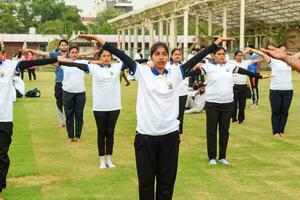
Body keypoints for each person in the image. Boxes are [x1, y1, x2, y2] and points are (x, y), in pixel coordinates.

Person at [64, 34, 232, 200]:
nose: (161, 57)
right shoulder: (142, 73)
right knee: (146, 182)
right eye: (157, 54)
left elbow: (196, 59)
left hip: (170, 136)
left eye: (164, 54)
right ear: (151, 56)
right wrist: (100, 40)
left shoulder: (176, 73)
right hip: (145, 136)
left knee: (166, 182)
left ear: (168, 57)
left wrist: (214, 45)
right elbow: (121, 54)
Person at [187, 46, 269, 165]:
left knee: (224, 131)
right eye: (219, 54)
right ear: (214, 55)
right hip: (212, 104)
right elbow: (191, 73)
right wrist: (180, 73)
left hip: (227, 104)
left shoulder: (230, 66)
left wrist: (260, 76)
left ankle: (222, 157)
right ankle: (212, 157)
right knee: (211, 131)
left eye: (223, 54)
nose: (221, 56)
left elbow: (245, 72)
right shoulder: (208, 67)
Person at [0, 49, 64, 200]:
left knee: (2, 156)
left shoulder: (9, 66)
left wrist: (54, 60)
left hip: (4, 118)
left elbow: (32, 63)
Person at [249, 45, 293, 138]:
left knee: (285, 112)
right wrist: (252, 49)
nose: (282, 52)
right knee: (276, 112)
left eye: (284, 50)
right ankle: (276, 131)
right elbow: (262, 53)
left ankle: (281, 130)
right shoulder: (272, 61)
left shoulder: (290, 60)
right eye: (280, 50)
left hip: (288, 90)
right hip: (275, 90)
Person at [60, 46, 89, 143]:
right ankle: (70, 136)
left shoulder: (83, 63)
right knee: (69, 115)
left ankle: (78, 136)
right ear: (69, 53)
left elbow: (95, 63)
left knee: (79, 115)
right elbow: (53, 62)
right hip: (67, 92)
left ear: (78, 53)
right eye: (72, 52)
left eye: (76, 52)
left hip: (80, 93)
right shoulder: (65, 63)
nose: (74, 54)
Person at [231, 50, 260, 123]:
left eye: (241, 55)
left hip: (243, 86)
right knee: (234, 104)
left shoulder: (246, 62)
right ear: (235, 56)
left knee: (242, 104)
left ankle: (241, 119)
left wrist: (255, 51)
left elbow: (260, 59)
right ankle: (233, 118)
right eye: (238, 55)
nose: (240, 57)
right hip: (234, 86)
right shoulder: (231, 63)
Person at [168, 48, 188, 134]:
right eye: (175, 54)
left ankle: (179, 131)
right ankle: (170, 130)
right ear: (171, 56)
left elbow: (187, 78)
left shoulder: (184, 65)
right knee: (171, 113)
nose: (177, 56)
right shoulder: (168, 66)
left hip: (183, 93)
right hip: (171, 94)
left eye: (179, 54)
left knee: (180, 114)